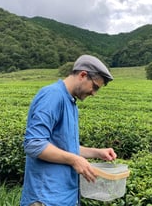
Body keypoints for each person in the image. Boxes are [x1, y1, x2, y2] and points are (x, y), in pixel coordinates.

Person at [20, 55, 117, 206]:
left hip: (65, 196)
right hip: (46, 198)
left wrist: (97, 152)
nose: (94, 93)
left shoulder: (71, 103)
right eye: (95, 87)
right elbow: (34, 144)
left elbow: (65, 147)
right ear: (83, 75)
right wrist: (74, 160)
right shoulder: (52, 96)